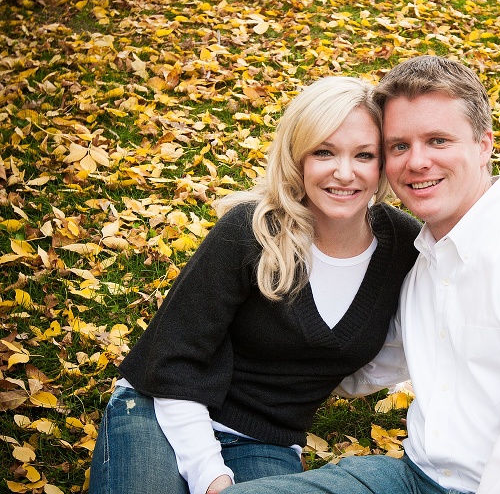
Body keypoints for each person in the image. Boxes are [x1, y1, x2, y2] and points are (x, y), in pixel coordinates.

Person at [224, 56, 500, 494]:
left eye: (438, 140)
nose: (417, 162)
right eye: (398, 146)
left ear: (485, 144)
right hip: (413, 477)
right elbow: (366, 365)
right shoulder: (421, 261)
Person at [88, 76, 422, 494]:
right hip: (162, 408)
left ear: (383, 163)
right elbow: (172, 362)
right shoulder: (251, 231)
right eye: (324, 152)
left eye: (364, 155)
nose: (344, 172)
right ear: (297, 158)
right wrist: (212, 477)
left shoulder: (405, 247)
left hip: (267, 438)